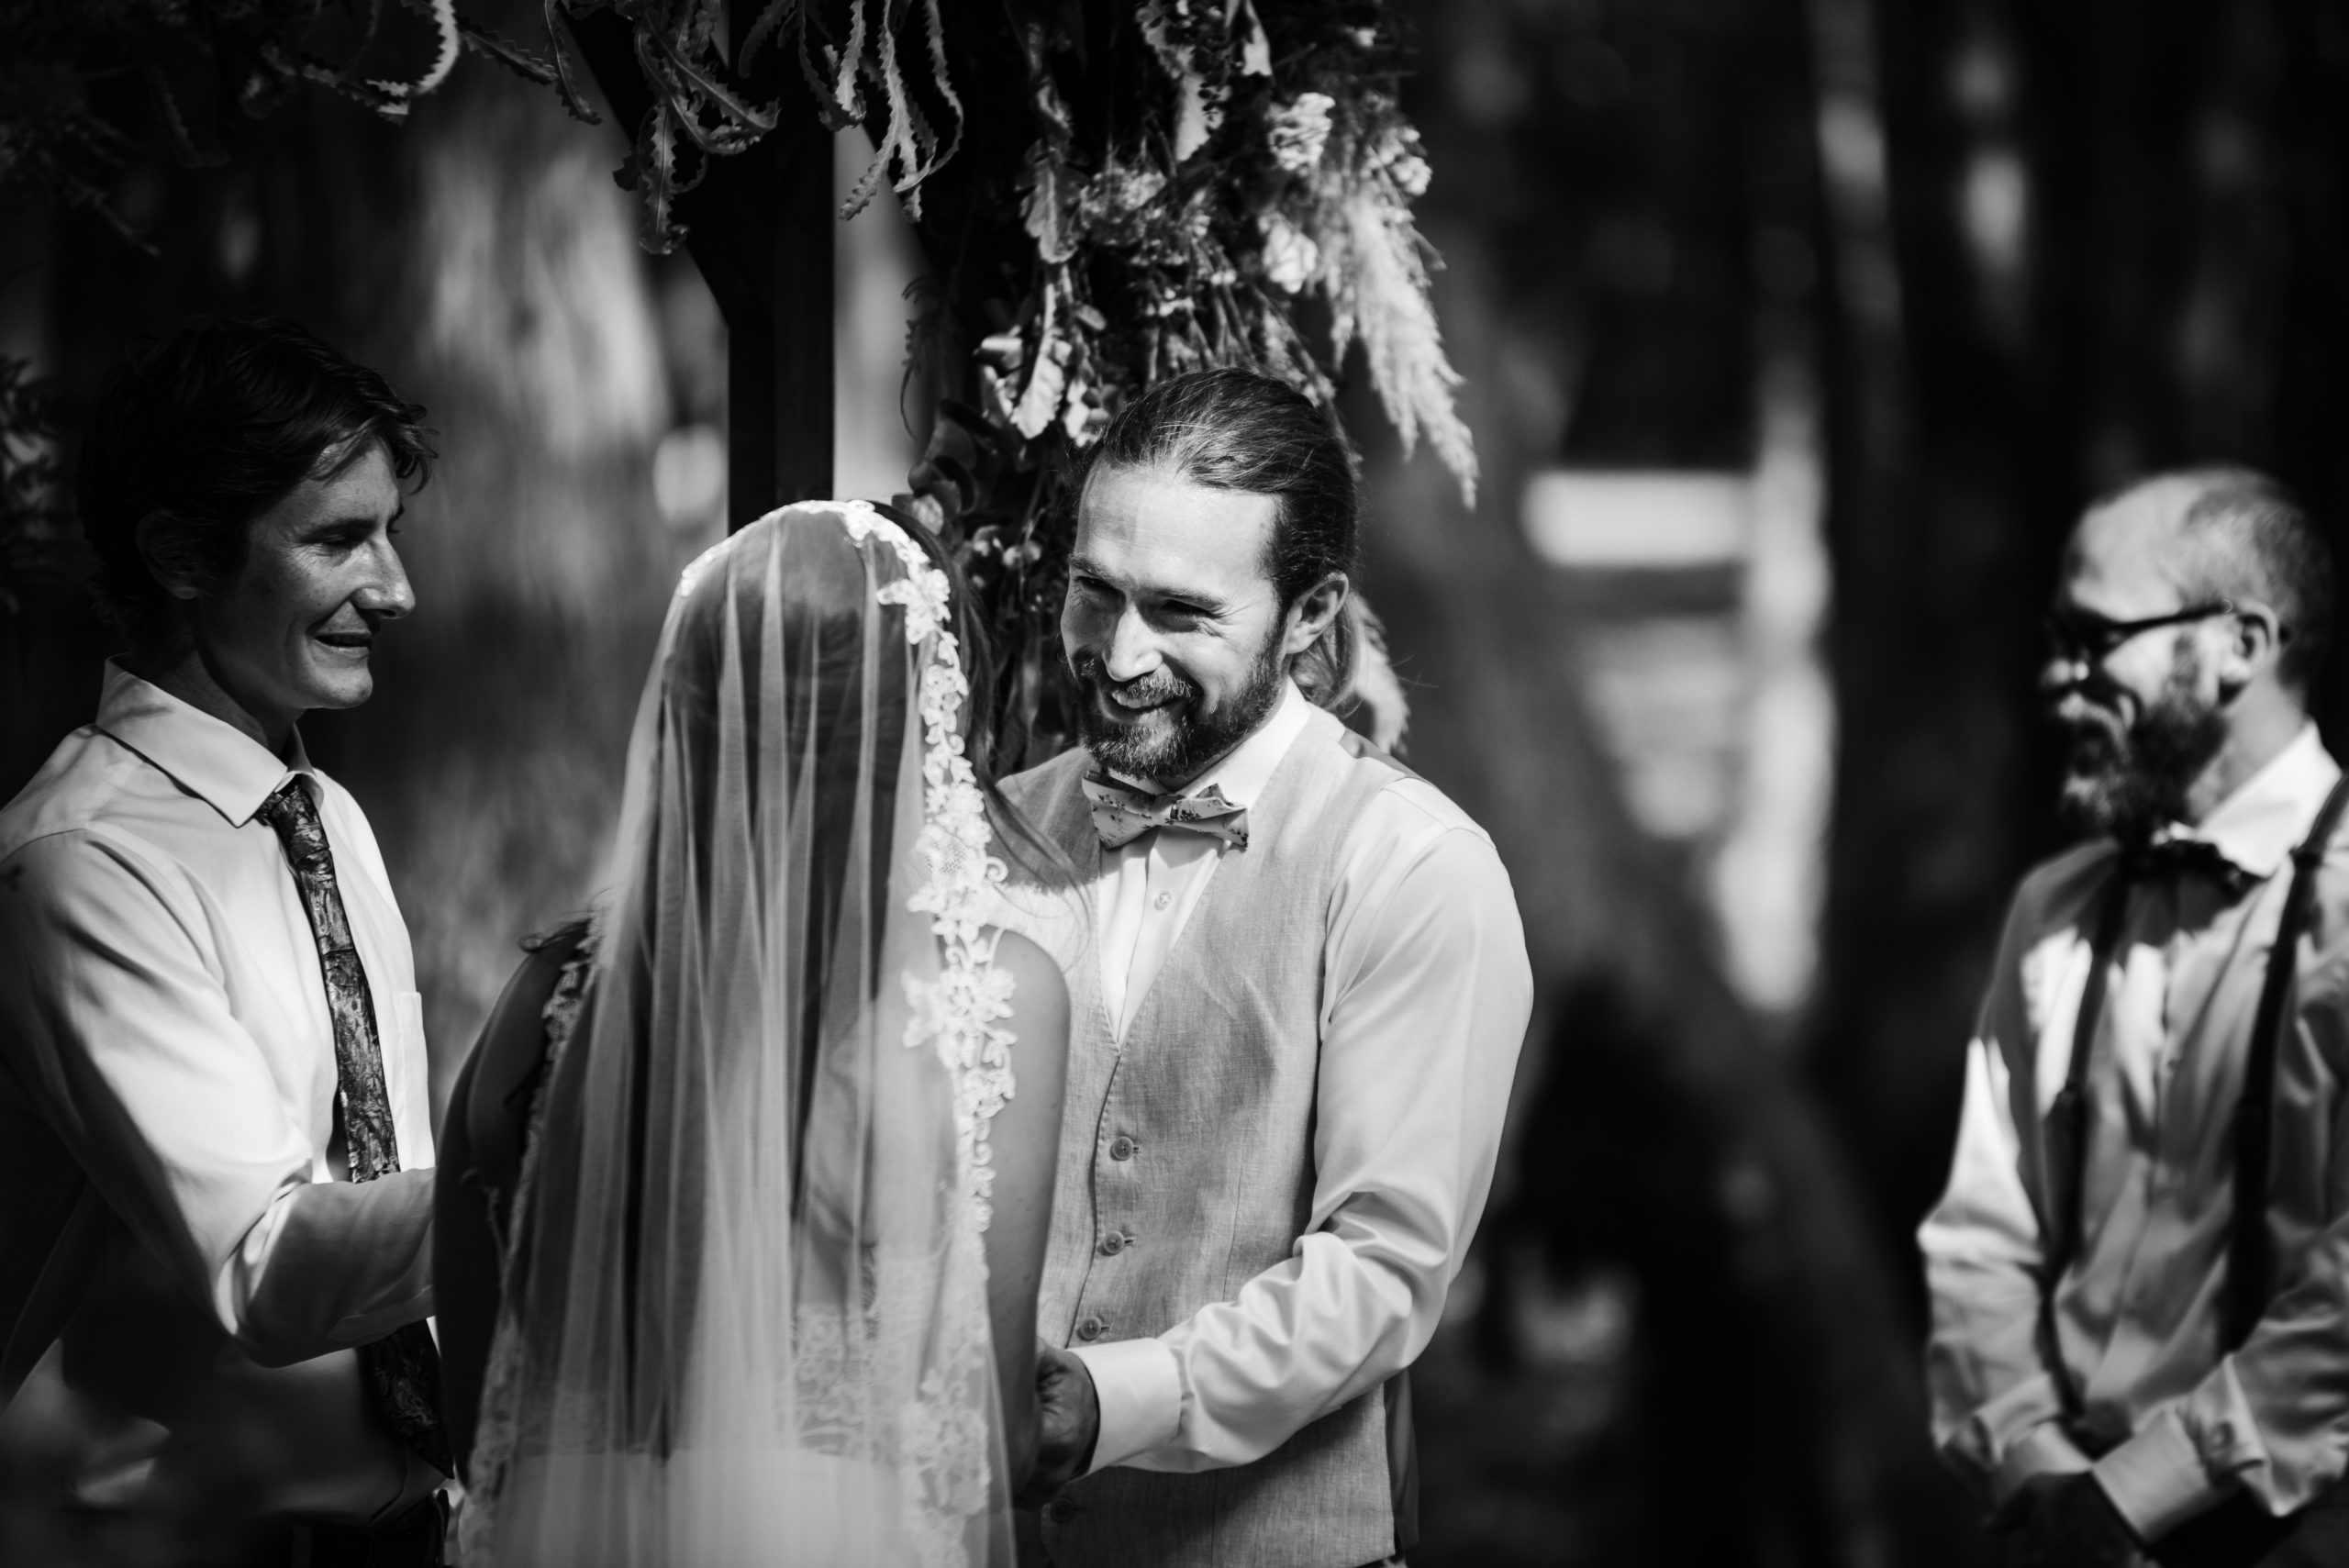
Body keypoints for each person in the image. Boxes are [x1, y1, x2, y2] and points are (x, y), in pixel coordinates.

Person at [436, 500, 1072, 1567]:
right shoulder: (985, 995)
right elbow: (990, 1440)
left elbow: (477, 1417)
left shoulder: (549, 996)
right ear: (923, 721)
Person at [1000, 367, 1533, 1568]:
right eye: (1095, 591)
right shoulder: (983, 835)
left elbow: (1379, 1275)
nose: (1119, 653)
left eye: (1182, 613)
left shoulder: (1412, 869)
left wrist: (1107, 1402)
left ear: (1309, 614)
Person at [0, 317, 449, 1562]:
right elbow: (269, 1266)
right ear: (182, 554)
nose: (397, 590)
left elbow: (375, 1161)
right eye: (339, 538)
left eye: (392, 533)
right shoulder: (81, 862)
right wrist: (543, 1169)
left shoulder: (323, 814)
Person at [1921, 469, 2349, 1568]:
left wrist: (2134, 1497)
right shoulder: (2052, 910)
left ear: (2239, 646)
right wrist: (2038, 1464)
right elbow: (1981, 1230)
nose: (2057, 677)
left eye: (2093, 635)